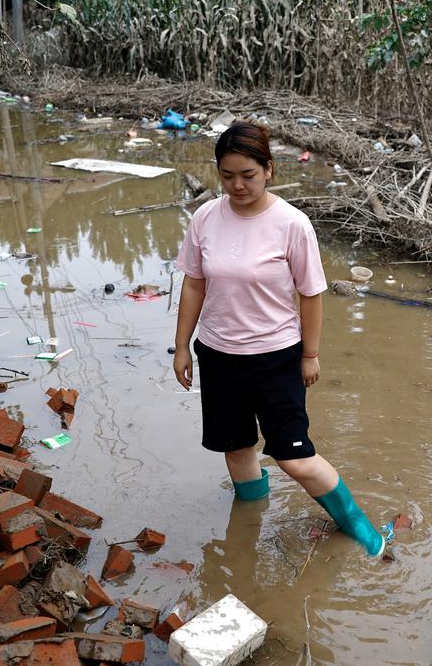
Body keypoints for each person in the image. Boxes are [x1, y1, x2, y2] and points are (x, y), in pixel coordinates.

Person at [173, 121, 388, 557]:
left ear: (269, 169)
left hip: (276, 357)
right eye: (227, 175)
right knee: (235, 448)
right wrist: (181, 346)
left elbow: (311, 295)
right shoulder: (205, 218)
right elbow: (194, 284)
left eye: (248, 175)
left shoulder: (292, 224)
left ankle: (364, 531)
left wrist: (310, 354)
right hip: (217, 354)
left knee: (294, 457)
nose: (237, 185)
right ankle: (248, 525)